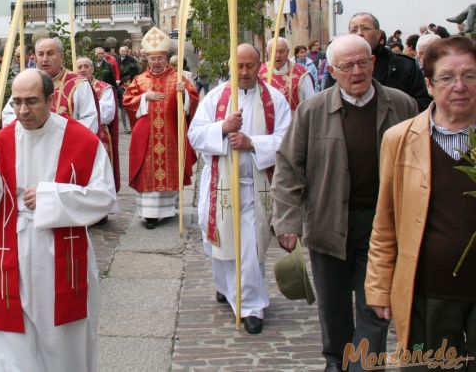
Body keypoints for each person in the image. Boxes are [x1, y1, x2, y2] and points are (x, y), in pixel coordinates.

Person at [272, 35, 418, 372]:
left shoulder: (402, 105)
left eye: (363, 63)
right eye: (347, 66)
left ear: (373, 64)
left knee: (375, 302)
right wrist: (288, 222)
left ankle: (364, 364)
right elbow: (289, 167)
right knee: (333, 301)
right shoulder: (313, 110)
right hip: (327, 219)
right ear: (333, 71)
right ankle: (337, 359)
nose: (357, 71)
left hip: (382, 224)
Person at [0, 69, 116, 371]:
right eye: (17, 102)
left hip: (60, 255)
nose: (23, 111)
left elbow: (104, 197)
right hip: (12, 251)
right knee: (10, 346)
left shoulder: (81, 140)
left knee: (62, 343)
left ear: (50, 99)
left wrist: (50, 197)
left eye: (32, 101)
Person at [366, 37, 476, 371]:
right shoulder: (400, 139)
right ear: (429, 84)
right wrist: (379, 286)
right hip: (428, 291)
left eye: (470, 76)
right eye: (446, 78)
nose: (459, 86)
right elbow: (385, 220)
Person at [188, 43, 291, 335]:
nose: (244, 72)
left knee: (249, 246)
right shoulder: (216, 97)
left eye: (249, 66)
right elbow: (194, 134)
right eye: (239, 66)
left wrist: (252, 143)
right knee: (222, 242)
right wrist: (222, 127)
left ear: (260, 65)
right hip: (220, 183)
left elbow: (287, 138)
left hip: (255, 187)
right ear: (230, 66)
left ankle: (251, 306)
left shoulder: (275, 99)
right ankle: (225, 287)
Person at [122, 27, 199, 229]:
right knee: (148, 169)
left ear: (166, 58)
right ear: (147, 59)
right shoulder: (140, 80)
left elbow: (193, 102)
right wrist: (144, 97)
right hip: (146, 136)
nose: (156, 62)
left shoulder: (178, 78)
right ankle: (149, 215)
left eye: (159, 58)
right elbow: (127, 101)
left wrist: (185, 95)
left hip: (170, 134)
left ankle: (167, 209)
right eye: (152, 59)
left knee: (169, 170)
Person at [331, 12, 431, 111]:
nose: (359, 33)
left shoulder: (404, 65)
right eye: (354, 30)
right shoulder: (338, 67)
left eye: (365, 28)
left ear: (378, 34)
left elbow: (423, 103)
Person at [2, 38, 98, 133]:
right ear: (35, 58)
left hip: (67, 144)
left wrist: (57, 132)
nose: (45, 59)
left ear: (61, 56)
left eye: (50, 53)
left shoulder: (79, 84)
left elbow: (90, 120)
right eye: (40, 54)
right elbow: (8, 116)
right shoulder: (26, 82)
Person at [77, 56, 120, 197]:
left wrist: (82, 114)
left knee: (100, 171)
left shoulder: (104, 88)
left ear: (93, 69)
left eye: (86, 66)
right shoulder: (71, 88)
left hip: (100, 135)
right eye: (79, 67)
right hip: (76, 136)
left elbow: (107, 113)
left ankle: (102, 204)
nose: (83, 70)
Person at [259, 37, 315, 111]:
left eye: (281, 51)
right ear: (268, 53)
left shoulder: (301, 74)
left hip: (294, 121)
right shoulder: (259, 73)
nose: (277, 55)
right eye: (273, 51)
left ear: (288, 52)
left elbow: (310, 103)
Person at [118, 45, 140, 133]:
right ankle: (125, 127)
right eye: (121, 51)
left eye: (124, 51)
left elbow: (136, 70)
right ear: (119, 52)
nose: (123, 52)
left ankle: (131, 125)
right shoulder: (116, 60)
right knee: (122, 106)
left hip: (129, 81)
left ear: (127, 52)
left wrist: (129, 78)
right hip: (119, 82)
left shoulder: (131, 60)